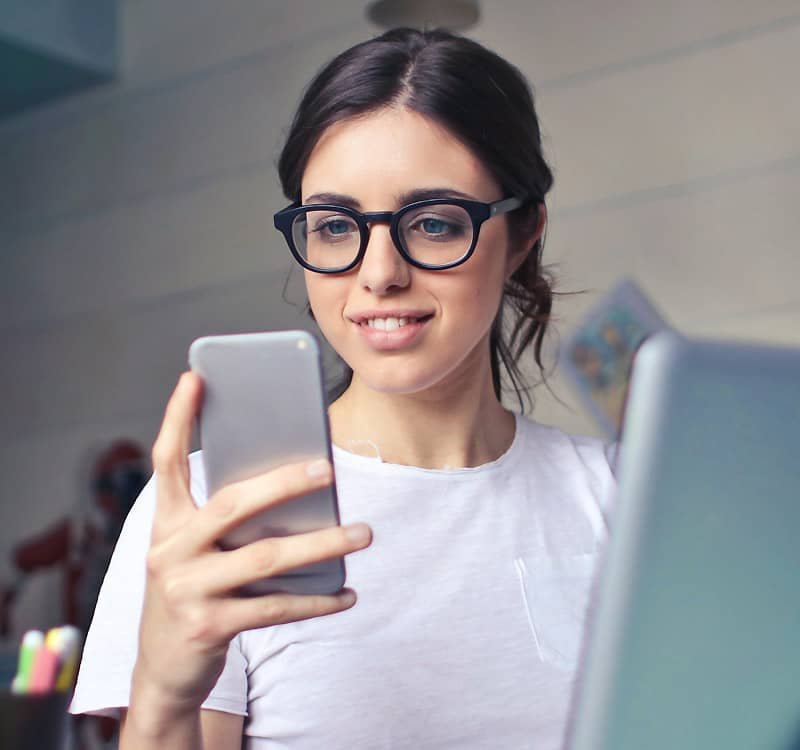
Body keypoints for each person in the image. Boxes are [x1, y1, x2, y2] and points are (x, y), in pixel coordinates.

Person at [70, 27, 616, 749]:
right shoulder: (213, 517)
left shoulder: (619, 495)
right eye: (334, 225)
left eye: (432, 222)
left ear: (521, 237)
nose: (379, 273)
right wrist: (165, 693)